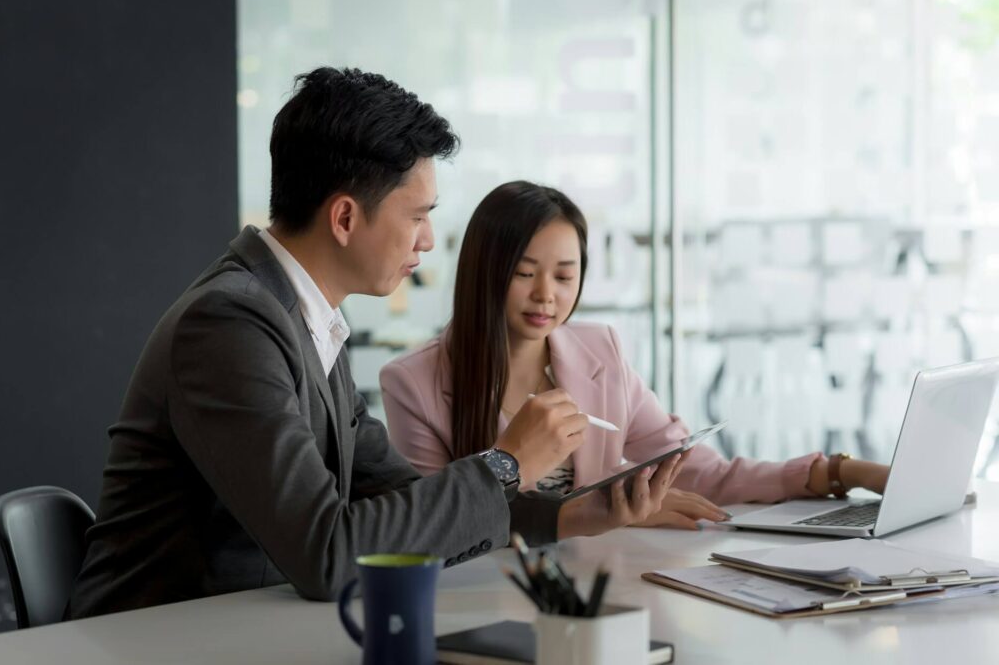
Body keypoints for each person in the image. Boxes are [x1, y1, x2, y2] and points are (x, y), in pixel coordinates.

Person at [67, 70, 684, 619]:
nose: (428, 241)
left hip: (245, 628)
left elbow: (403, 500)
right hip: (157, 641)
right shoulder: (230, 325)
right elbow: (328, 553)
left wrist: (576, 516)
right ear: (344, 218)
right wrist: (505, 463)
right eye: (417, 216)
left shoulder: (306, 321)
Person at [381, 180, 890, 530]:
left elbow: (691, 471)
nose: (546, 296)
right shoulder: (414, 382)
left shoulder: (598, 350)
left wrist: (838, 473)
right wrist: (606, 511)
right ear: (484, 271)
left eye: (564, 276)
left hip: (606, 577)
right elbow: (440, 524)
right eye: (523, 273)